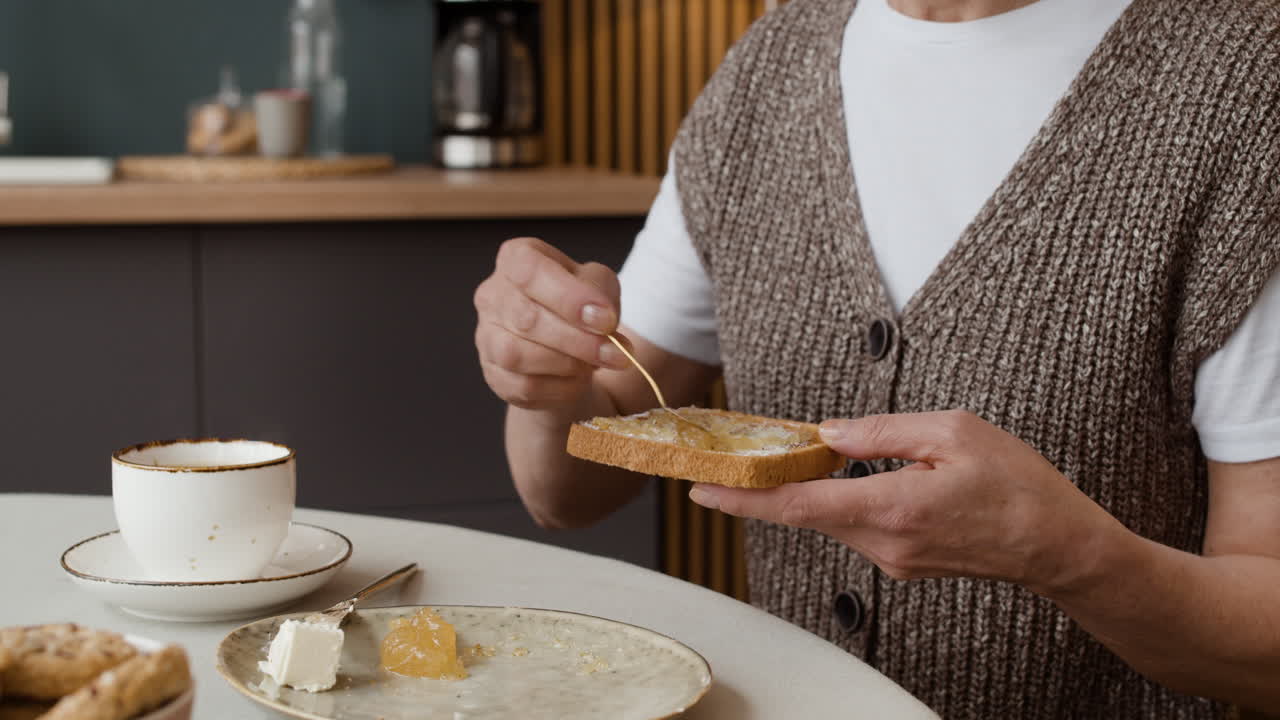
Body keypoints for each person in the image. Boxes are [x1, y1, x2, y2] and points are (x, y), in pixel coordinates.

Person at [472, 0, 1280, 716]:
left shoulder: (1244, 88)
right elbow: (570, 488)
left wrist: (1067, 558)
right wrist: (547, 384)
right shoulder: (771, 62)